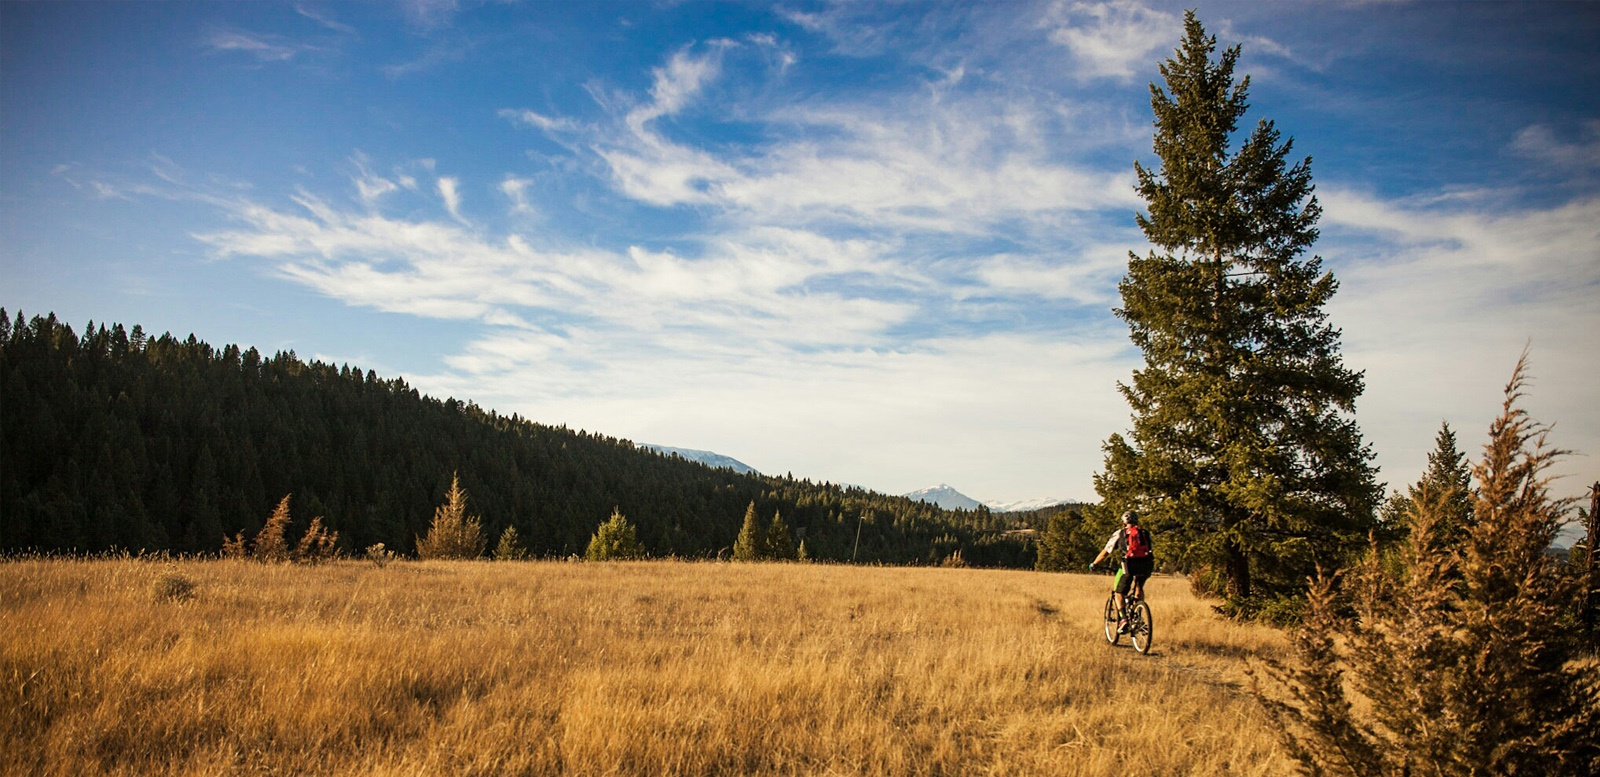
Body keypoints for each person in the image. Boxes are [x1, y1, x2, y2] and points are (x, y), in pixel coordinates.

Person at [1090, 510, 1155, 633]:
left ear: (1124, 523)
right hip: (1146, 564)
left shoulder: (1120, 533)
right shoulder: (1145, 533)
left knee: (1118, 593)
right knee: (1139, 587)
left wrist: (1094, 563)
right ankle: (1138, 616)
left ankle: (1124, 619)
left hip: (1129, 565)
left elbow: (1105, 552)